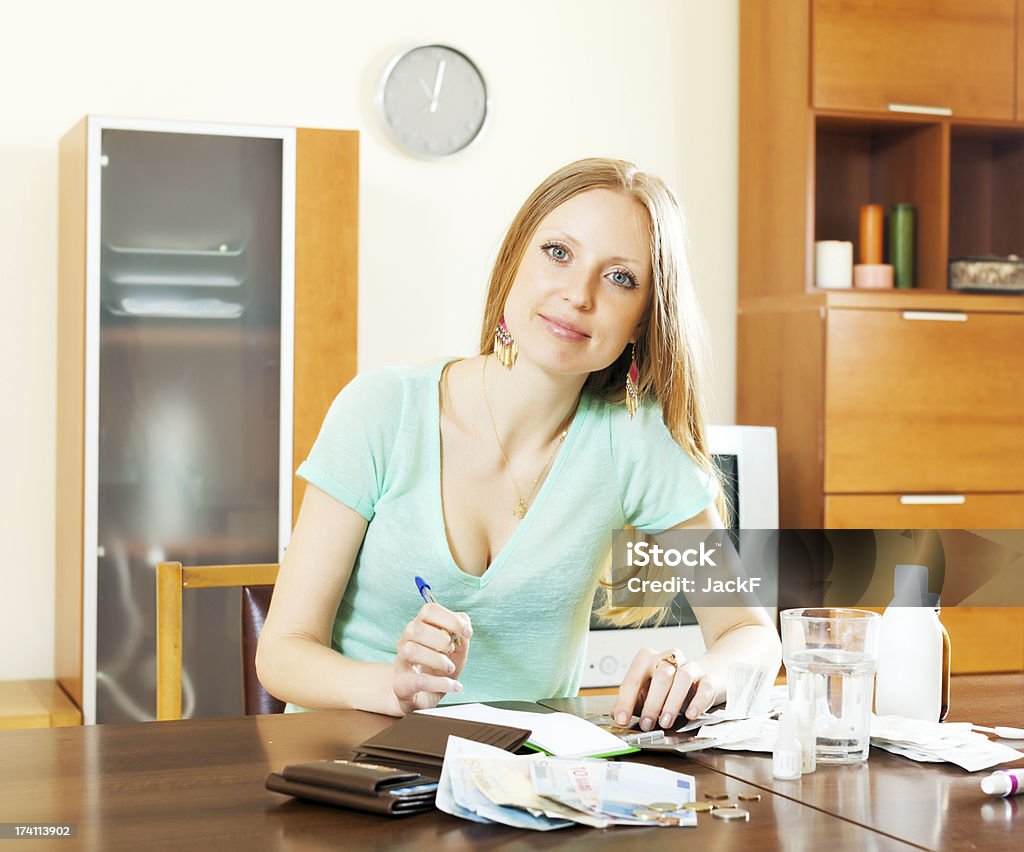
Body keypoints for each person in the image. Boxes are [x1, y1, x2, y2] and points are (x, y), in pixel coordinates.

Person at [256, 158, 781, 733]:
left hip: (523, 787)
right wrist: (391, 685)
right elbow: (282, 651)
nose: (579, 294)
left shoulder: (635, 444)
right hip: (346, 767)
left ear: (641, 322)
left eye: (620, 278)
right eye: (558, 252)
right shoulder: (382, 409)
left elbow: (749, 635)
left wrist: (699, 673)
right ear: (514, 264)